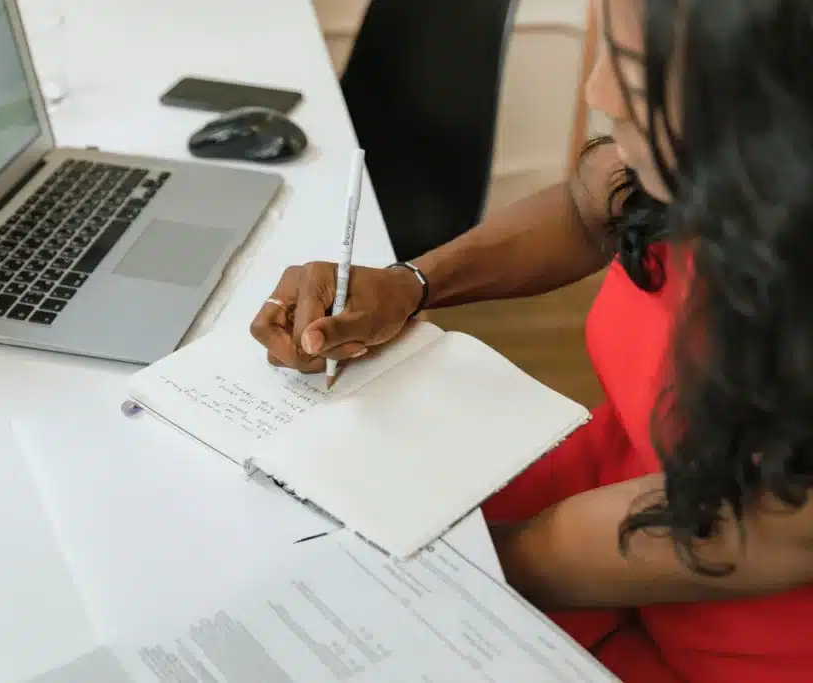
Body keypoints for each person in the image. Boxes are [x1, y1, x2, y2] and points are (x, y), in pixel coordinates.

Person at [248, 0, 813, 681]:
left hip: (713, 620)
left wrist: (448, 567)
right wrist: (411, 285)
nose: (596, 91)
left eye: (633, 70)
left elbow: (725, 524)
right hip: (604, 489)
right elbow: (588, 204)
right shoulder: (699, 157)